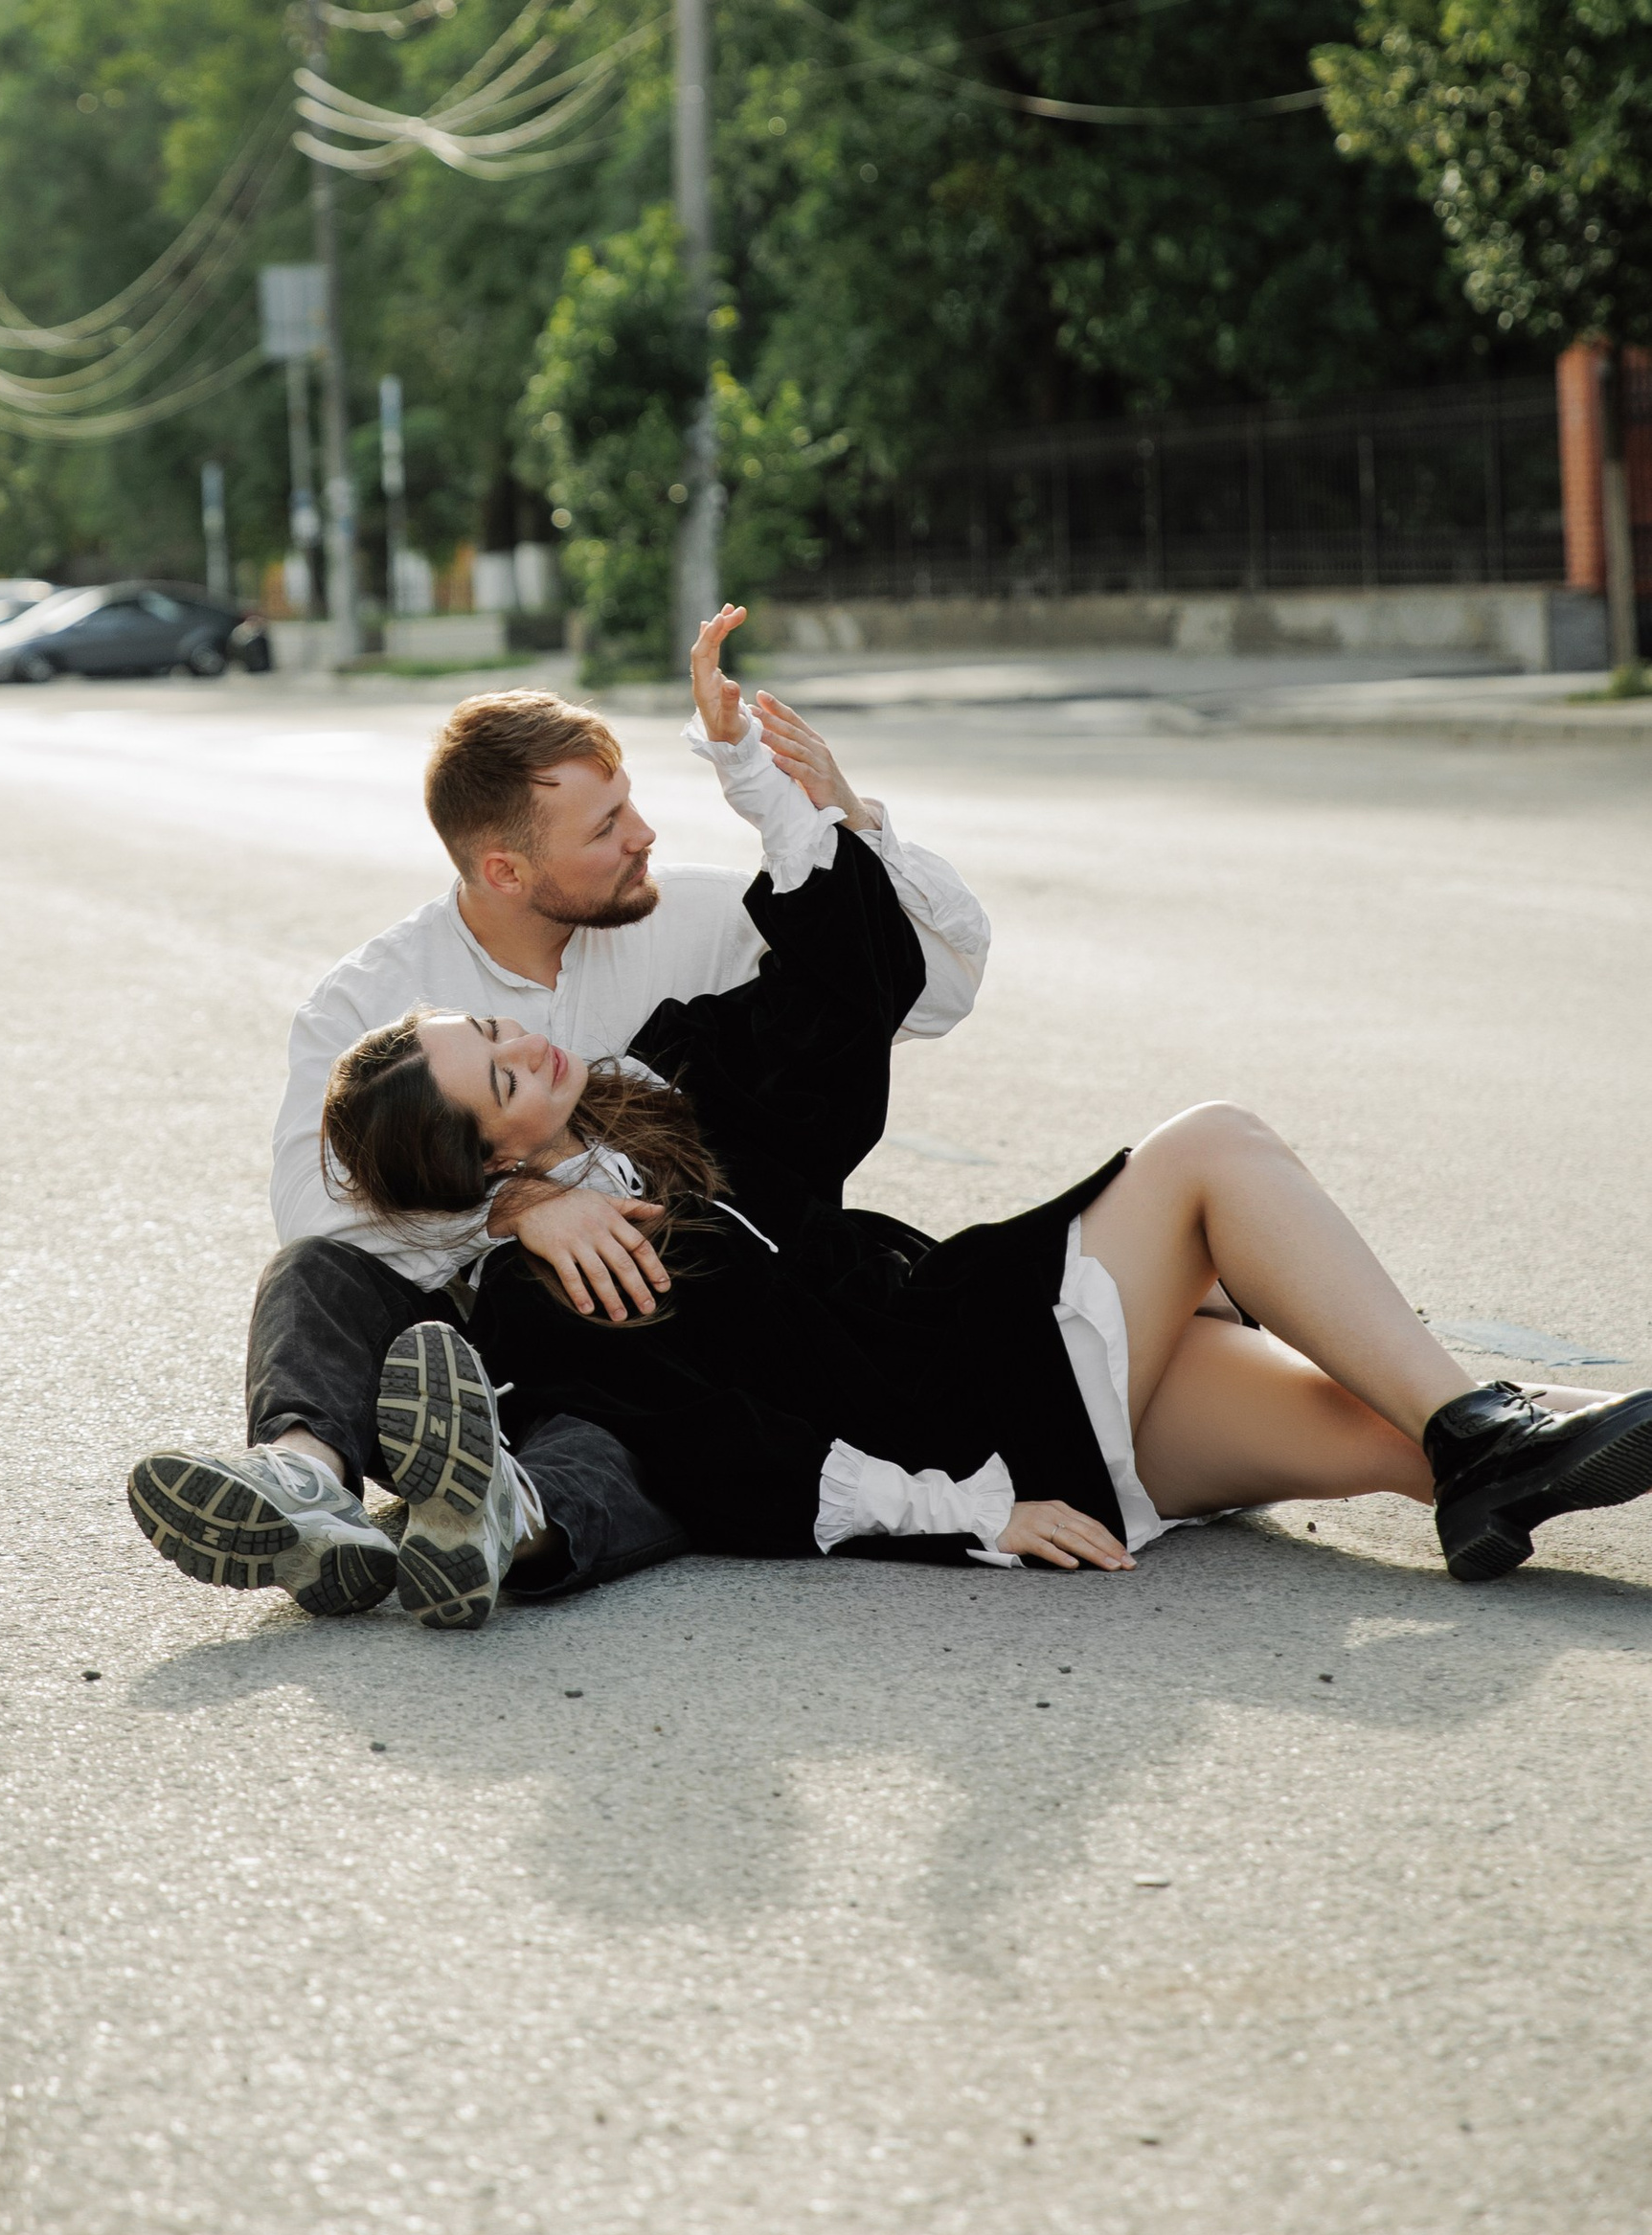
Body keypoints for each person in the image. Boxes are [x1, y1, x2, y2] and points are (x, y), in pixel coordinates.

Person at [319, 643, 1652, 1608]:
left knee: (1398, 1433)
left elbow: (860, 987)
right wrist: (968, 1516)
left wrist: (771, 789)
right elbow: (723, 1453)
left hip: (997, 1388)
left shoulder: (668, 1086)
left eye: (493, 1027)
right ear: (491, 1162)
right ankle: (1487, 1431)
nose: (528, 1039)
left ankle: (1493, 1442)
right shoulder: (549, 1289)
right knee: (1212, 1147)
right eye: (501, 1074)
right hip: (957, 1397)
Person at [126, 625, 993, 1622]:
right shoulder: (372, 998)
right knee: (311, 1273)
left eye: (626, 805)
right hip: (457, 1344)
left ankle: (501, 1518)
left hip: (678, 1325)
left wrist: (846, 815)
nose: (645, 837)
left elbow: (928, 991)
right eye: (605, 828)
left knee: (644, 1426)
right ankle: (306, 1486)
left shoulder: (689, 915)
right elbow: (313, 1212)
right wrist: (520, 1208)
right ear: (503, 870)